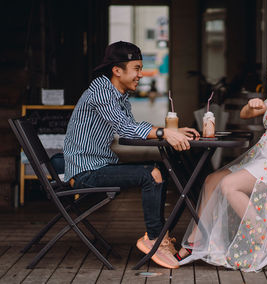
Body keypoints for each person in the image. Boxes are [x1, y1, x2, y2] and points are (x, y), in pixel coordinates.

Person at [175, 52, 267, 273]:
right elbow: (244, 114)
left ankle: (265, 237)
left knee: (229, 185)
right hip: (265, 159)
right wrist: (252, 106)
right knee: (213, 179)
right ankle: (196, 238)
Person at [63, 41, 199, 269]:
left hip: (100, 164)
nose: (140, 74)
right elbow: (125, 129)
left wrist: (170, 132)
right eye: (136, 68)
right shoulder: (101, 92)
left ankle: (160, 235)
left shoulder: (118, 94)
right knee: (151, 174)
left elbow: (130, 126)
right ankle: (155, 238)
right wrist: (164, 132)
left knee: (161, 168)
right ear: (117, 70)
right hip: (86, 171)